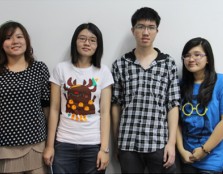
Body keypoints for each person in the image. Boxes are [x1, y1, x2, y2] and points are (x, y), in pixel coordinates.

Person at [111, 7, 180, 173]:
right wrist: (117, 141)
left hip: (159, 142)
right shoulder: (121, 64)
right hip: (128, 142)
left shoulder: (168, 64)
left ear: (157, 31)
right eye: (141, 26)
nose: (145, 32)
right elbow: (115, 105)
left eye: (151, 27)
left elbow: (173, 105)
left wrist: (171, 143)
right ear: (133, 30)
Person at [43, 22, 114, 174]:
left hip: (93, 144)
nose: (87, 43)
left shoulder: (103, 72)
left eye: (92, 40)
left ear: (98, 45)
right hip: (64, 143)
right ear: (75, 41)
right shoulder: (61, 69)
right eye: (82, 38)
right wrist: (49, 146)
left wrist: (104, 149)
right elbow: (54, 110)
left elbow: (105, 113)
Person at [0, 21, 50, 173]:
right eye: (8, 38)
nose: (15, 41)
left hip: (37, 146)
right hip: (6, 149)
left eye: (19, 37)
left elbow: (47, 107)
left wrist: (50, 143)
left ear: (26, 41)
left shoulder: (39, 68)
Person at [176, 37, 223, 173]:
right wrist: (181, 151)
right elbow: (177, 122)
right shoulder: (180, 86)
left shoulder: (220, 82)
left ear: (208, 59)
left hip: (213, 159)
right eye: (187, 55)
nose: (191, 59)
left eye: (197, 55)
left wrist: (204, 150)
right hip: (187, 158)